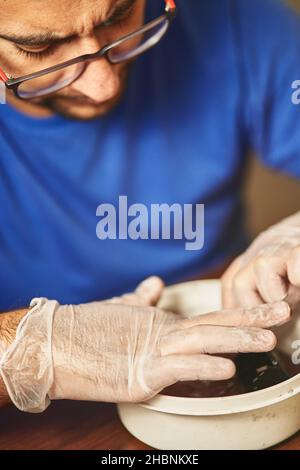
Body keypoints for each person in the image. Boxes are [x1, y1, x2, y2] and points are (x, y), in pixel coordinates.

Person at [0, 0, 299, 412]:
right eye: (39, 49)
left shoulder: (236, 19)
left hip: (229, 321)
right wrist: (32, 353)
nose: (103, 85)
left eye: (119, 15)